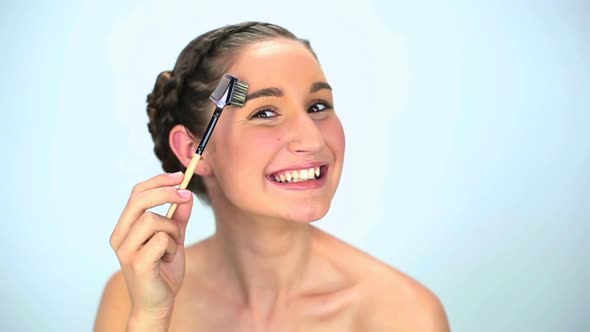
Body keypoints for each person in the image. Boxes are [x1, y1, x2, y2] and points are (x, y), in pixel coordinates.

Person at [94, 21, 450, 331]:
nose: (312, 140)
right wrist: (151, 318)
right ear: (193, 151)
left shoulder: (405, 314)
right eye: (265, 112)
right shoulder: (135, 297)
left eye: (318, 106)